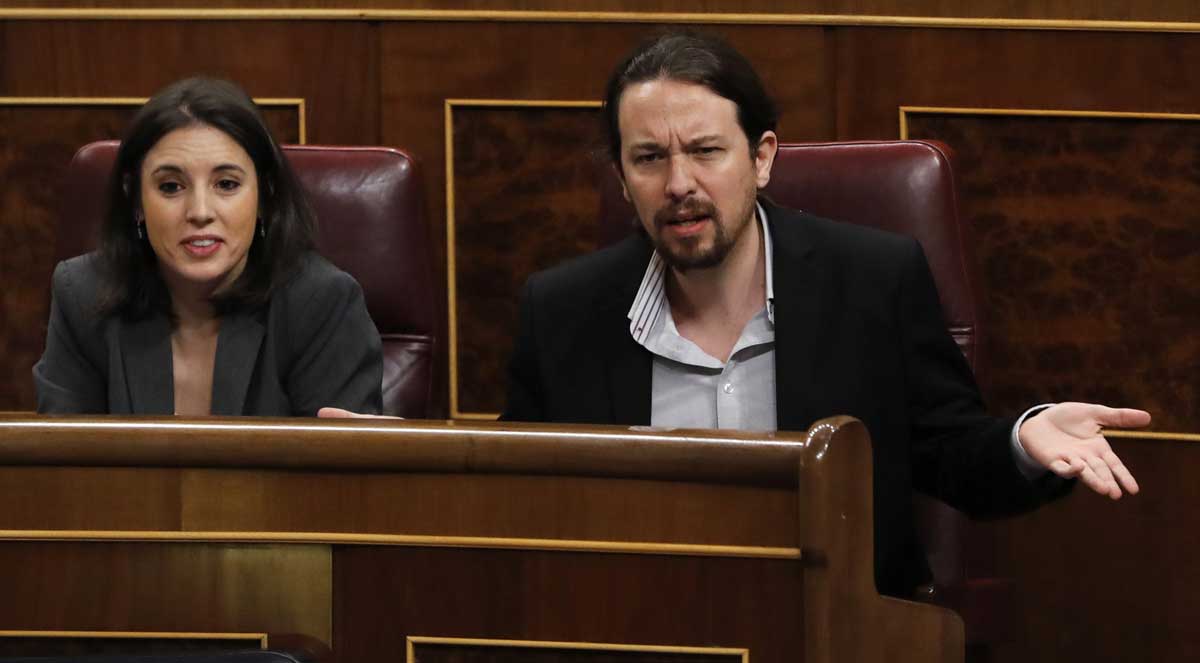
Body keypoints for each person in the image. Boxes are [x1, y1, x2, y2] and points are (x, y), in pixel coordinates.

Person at [500, 31, 1151, 598]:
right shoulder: (563, 313)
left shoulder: (872, 284)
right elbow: (512, 506)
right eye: (649, 158)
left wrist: (1025, 440)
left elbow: (954, 455)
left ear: (761, 157)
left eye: (705, 150)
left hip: (835, 630)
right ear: (621, 178)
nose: (678, 184)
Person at [34, 77, 382, 416]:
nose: (200, 212)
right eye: (171, 187)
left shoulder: (321, 303)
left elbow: (337, 471)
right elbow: (66, 465)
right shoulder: (83, 295)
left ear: (265, 195)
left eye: (227, 184)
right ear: (136, 199)